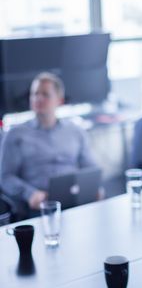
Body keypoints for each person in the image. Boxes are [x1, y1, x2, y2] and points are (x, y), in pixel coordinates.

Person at [0, 72, 98, 218]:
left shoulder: (76, 131)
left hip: (75, 202)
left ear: (60, 100)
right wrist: (29, 194)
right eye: (34, 94)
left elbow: (90, 168)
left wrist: (94, 187)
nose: (38, 98)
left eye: (45, 94)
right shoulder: (15, 134)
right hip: (39, 207)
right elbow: (5, 177)